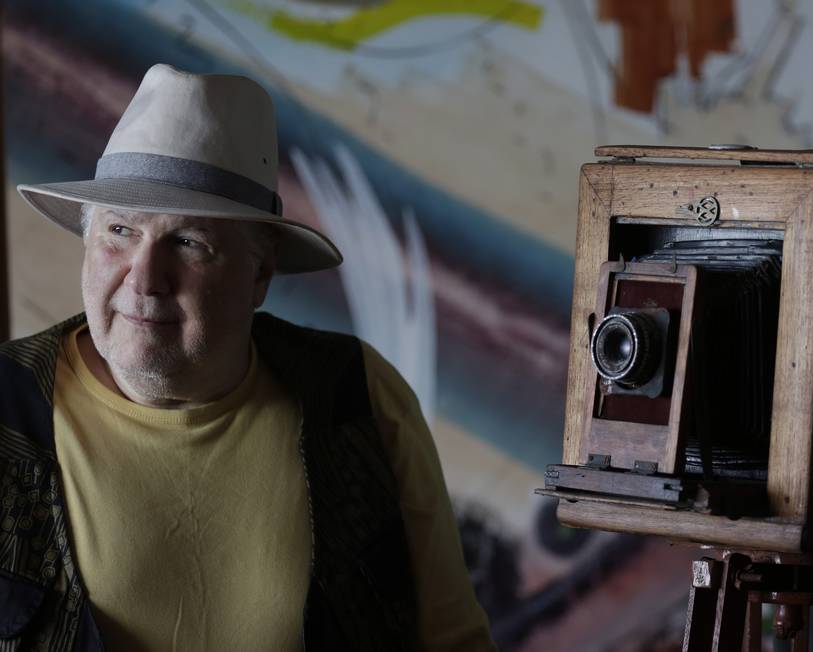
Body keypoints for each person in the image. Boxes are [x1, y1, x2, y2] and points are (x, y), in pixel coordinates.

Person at [0, 63, 495, 650]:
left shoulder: (358, 398)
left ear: (259, 271)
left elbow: (454, 640)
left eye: (188, 243)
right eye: (120, 231)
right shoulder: (6, 408)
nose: (145, 280)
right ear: (88, 240)